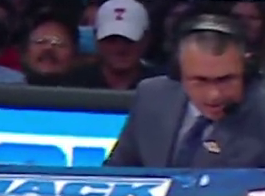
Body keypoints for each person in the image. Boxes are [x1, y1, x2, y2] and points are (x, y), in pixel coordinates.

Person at [106, 13, 265, 169]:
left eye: (225, 79)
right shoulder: (152, 96)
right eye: (200, 80)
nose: (214, 95)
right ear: (178, 72)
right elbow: (117, 170)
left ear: (247, 71)